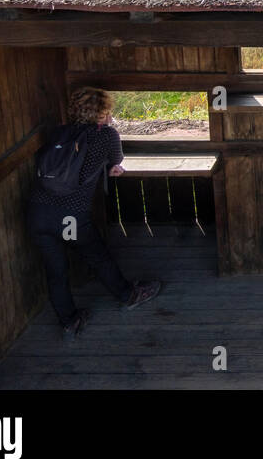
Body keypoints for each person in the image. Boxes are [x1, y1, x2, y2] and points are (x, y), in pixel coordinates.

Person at [26, 88, 162, 338]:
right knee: (97, 256)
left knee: (55, 271)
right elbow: (116, 161)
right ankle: (128, 295)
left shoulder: (58, 132)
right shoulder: (106, 136)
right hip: (70, 215)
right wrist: (112, 164)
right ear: (102, 113)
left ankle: (70, 321)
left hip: (38, 212)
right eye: (107, 111)